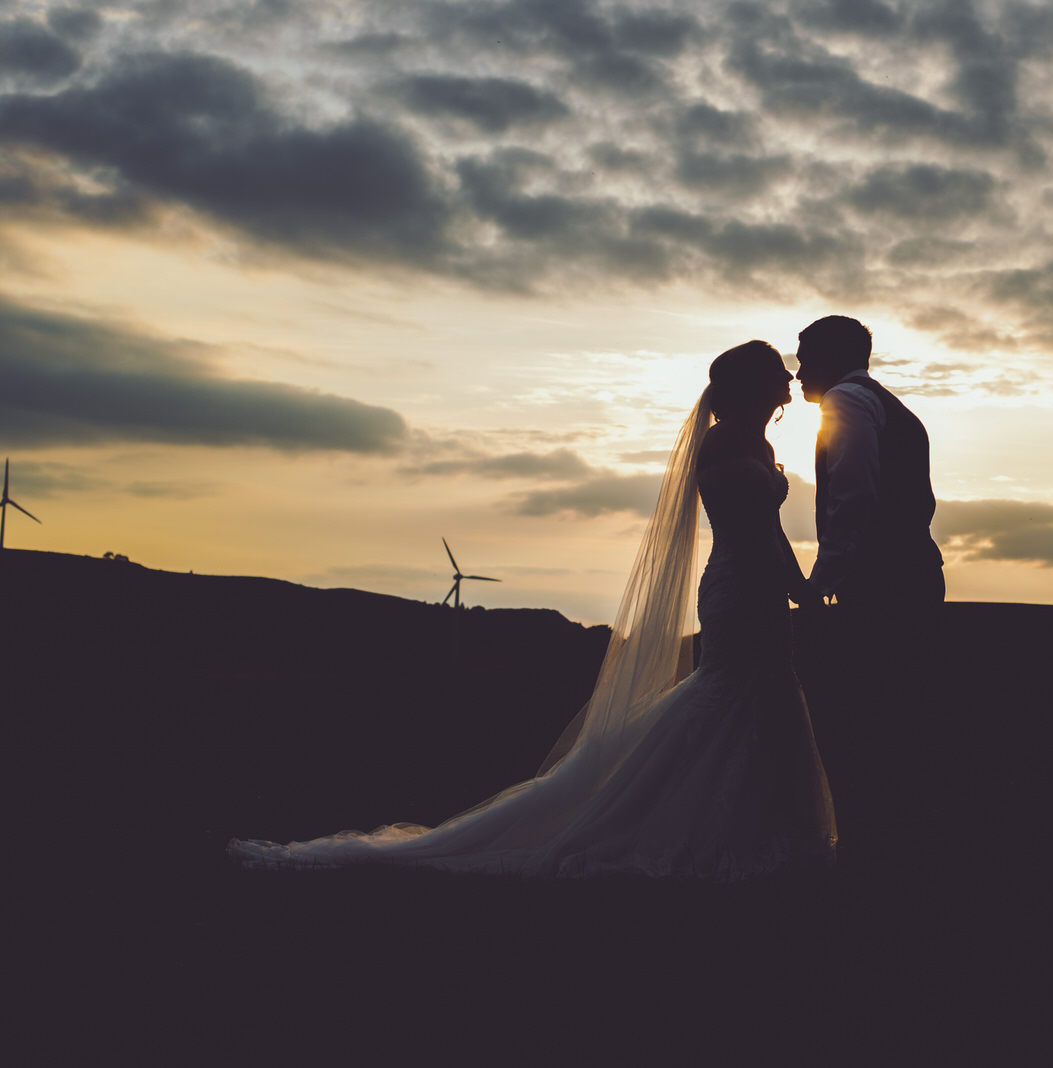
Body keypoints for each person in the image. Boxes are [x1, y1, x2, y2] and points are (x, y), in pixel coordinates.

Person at [228, 341, 836, 879]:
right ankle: (689, 826)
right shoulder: (726, 439)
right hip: (738, 589)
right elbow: (750, 530)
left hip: (762, 590)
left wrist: (800, 587)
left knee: (763, 696)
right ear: (753, 384)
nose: (789, 381)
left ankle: (765, 829)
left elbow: (772, 530)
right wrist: (793, 584)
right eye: (778, 372)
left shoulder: (756, 440)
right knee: (730, 696)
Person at [797, 316, 944, 608]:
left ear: (830, 356)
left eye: (805, 360)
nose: (799, 374)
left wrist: (820, 582)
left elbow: (852, 496)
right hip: (915, 570)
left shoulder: (844, 398)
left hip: (882, 581)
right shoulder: (889, 403)